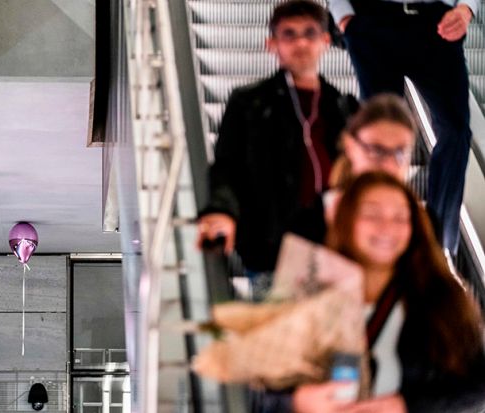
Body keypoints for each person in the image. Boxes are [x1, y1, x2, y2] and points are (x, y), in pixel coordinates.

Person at [197, 0, 357, 300]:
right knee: (281, 343)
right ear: (272, 44)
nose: (300, 42)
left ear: (325, 41)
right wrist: (221, 211)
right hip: (274, 249)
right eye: (289, 34)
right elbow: (227, 168)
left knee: (334, 345)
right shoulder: (249, 103)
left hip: (334, 249)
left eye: (310, 33)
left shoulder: (343, 107)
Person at [290, 172, 485, 413]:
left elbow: (478, 384)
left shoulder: (441, 297)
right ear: (346, 219)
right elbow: (258, 386)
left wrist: (406, 405)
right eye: (372, 214)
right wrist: (299, 401)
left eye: (401, 217)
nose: (387, 227)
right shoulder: (306, 290)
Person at [328, 0, 479, 256]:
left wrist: (467, 9)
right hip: (374, 19)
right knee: (378, 134)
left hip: (438, 23)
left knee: (456, 129)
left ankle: (439, 246)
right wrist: (345, 18)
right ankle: (376, 232)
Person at [291, 93, 418, 244]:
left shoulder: (420, 222)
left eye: (400, 153)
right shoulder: (313, 219)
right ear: (350, 146)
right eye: (376, 151)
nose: (389, 164)